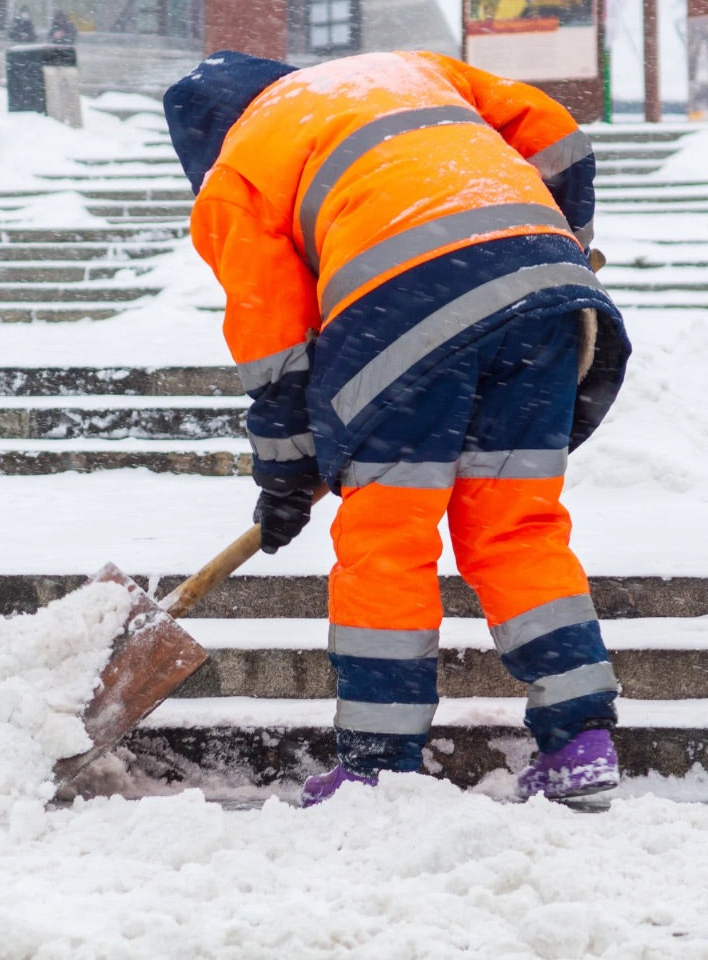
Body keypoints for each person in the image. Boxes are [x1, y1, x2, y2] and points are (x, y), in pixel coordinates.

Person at [163, 50, 631, 807]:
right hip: (548, 298)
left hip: (401, 312)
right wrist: (564, 237)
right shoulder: (407, 70)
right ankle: (581, 739)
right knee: (519, 528)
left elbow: (275, 348)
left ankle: (380, 767)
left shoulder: (236, 174)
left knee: (390, 539)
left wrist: (285, 475)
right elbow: (558, 138)